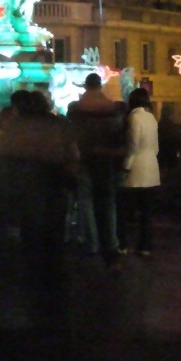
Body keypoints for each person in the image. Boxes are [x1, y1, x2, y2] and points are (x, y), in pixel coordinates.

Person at [67, 73, 125, 267]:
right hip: (106, 160)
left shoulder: (75, 109)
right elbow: (120, 136)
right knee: (108, 204)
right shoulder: (113, 108)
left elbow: (72, 136)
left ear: (86, 87)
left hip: (84, 160)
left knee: (86, 203)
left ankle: (92, 243)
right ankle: (111, 245)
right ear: (100, 86)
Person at [117, 87, 160, 256]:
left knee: (124, 209)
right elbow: (156, 147)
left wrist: (126, 165)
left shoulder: (134, 118)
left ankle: (123, 244)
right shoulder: (151, 118)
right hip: (151, 167)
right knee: (146, 211)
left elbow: (132, 146)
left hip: (136, 169)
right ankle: (145, 245)